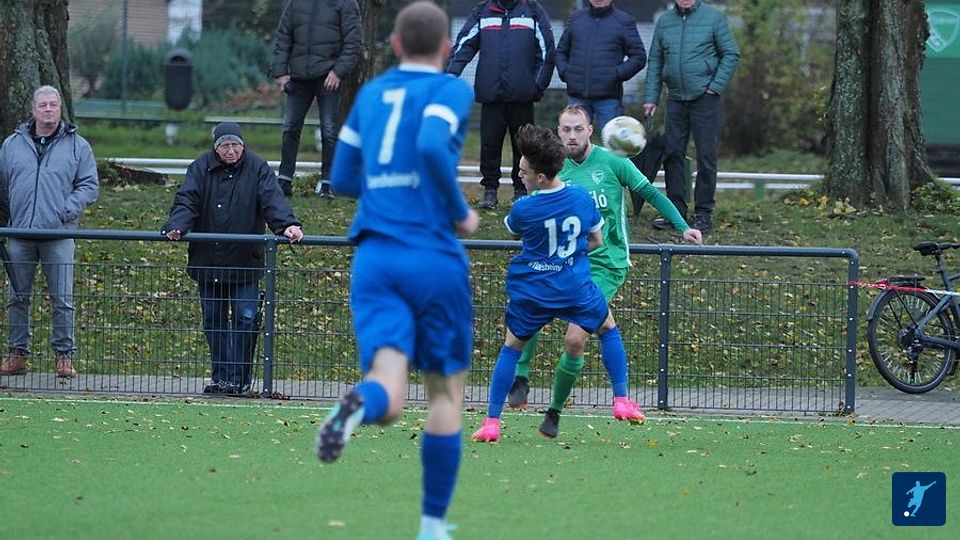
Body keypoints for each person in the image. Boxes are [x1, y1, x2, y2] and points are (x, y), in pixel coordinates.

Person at [316, 3, 480, 539]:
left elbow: (342, 178)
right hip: (432, 257)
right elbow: (431, 144)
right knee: (444, 395)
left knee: (387, 392)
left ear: (394, 45)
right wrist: (459, 211)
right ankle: (432, 525)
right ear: (447, 49)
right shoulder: (450, 89)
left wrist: (387, 188)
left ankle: (357, 405)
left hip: (376, 258)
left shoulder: (370, 94)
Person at [504, 105, 702, 437]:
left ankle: (554, 411)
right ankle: (521, 378)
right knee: (532, 305)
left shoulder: (613, 162)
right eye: (565, 129)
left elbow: (649, 193)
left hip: (607, 263)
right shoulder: (553, 169)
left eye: (578, 129)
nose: (571, 135)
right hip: (568, 261)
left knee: (574, 341)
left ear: (590, 131)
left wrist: (683, 227)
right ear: (559, 131)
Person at [471, 123, 651, 445]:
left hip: (534, 288)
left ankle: (492, 423)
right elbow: (596, 240)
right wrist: (569, 256)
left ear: (540, 177)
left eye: (523, 172)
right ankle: (622, 399)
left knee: (511, 348)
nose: (520, 176)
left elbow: (515, 230)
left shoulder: (524, 208)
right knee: (608, 328)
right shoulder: (581, 198)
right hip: (573, 285)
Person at [161, 122, 303, 396]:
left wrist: (287, 225)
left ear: (242, 146)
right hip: (208, 260)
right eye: (225, 146)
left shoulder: (257, 168)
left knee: (246, 319)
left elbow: (272, 199)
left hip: (244, 261)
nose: (230, 151)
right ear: (216, 148)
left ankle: (239, 378)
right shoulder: (200, 168)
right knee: (214, 320)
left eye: (235, 145)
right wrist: (177, 225)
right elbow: (187, 200)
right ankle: (221, 376)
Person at [0, 85, 99, 379]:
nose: (47, 110)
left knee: (63, 299)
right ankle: (17, 354)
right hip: (19, 234)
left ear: (60, 109)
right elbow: (2, 186)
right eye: (42, 105)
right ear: (33, 109)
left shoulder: (77, 146)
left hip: (59, 235)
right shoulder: (11, 145)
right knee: (17, 297)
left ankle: (64, 356)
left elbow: (89, 185)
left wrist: (66, 210)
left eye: (53, 105)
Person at [447, 0, 555, 209]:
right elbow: (465, 44)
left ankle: (521, 190)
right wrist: (450, 74)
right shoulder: (483, 10)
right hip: (491, 95)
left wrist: (536, 87)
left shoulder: (533, 10)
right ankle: (490, 190)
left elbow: (547, 51)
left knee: (524, 146)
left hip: (522, 97)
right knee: (489, 145)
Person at [644, 0, 739, 234]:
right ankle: (676, 212)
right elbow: (655, 61)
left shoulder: (714, 18)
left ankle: (703, 213)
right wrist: (651, 98)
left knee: (706, 156)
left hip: (705, 98)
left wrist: (715, 87)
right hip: (675, 98)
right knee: (672, 154)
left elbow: (731, 53)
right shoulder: (664, 22)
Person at [271, 0, 361, 198]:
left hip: (328, 76)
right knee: (290, 128)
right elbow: (283, 37)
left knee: (329, 131)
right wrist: (280, 72)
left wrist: (338, 72)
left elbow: (353, 42)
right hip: (298, 77)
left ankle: (328, 182)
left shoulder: (345, 3)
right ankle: (284, 179)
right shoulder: (295, 3)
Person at [555, 0, 646, 133]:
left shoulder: (624, 21)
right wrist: (566, 73)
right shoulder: (576, 18)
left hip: (609, 99)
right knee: (575, 142)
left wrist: (615, 75)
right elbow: (561, 52)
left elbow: (639, 57)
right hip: (577, 97)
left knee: (610, 142)